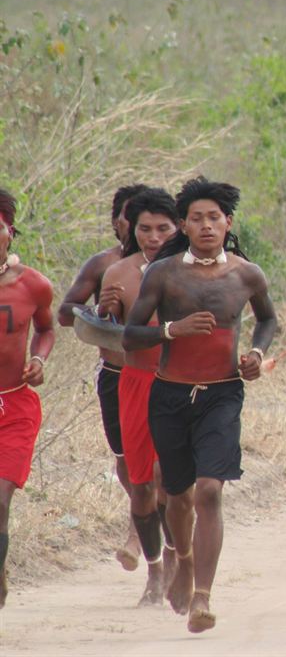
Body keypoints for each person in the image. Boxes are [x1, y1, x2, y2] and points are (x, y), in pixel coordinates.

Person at [122, 176, 277, 632]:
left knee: (210, 490)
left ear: (229, 223)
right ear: (183, 228)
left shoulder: (247, 274)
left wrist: (257, 354)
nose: (207, 226)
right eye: (196, 219)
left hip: (223, 394)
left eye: (214, 217)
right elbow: (130, 335)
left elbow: (267, 319)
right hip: (169, 393)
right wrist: (172, 330)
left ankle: (203, 597)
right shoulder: (164, 274)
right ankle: (183, 561)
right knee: (176, 492)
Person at [57, 183, 147, 571]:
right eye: (132, 216)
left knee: (156, 463)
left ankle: (138, 535)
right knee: (125, 461)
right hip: (114, 373)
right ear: (117, 222)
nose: (141, 226)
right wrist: (100, 309)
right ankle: (147, 518)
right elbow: (64, 313)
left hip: (161, 375)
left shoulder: (169, 265)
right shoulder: (102, 265)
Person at [97, 188, 180, 606]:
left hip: (179, 383)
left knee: (171, 480)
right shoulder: (119, 273)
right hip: (134, 382)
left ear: (178, 226)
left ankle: (174, 561)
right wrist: (106, 314)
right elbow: (107, 339)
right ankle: (155, 567)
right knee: (142, 485)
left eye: (162, 228)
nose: (153, 236)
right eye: (144, 228)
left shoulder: (193, 270)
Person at [0, 188, 55, 609]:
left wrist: (38, 359)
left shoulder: (34, 285)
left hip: (14, 405)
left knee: (0, 497)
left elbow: (46, 329)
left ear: (10, 233)